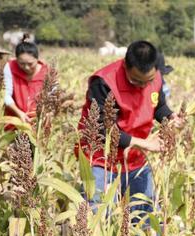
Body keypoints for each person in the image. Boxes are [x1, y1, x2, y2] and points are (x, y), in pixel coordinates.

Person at [75, 40, 182, 223]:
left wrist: (171, 117)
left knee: (147, 218)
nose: (141, 87)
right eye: (135, 81)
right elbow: (102, 128)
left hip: (134, 159)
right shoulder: (104, 82)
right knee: (98, 220)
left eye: (146, 82)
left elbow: (158, 105)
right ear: (125, 65)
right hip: (101, 160)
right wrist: (145, 143)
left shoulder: (155, 77)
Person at [3, 35, 48, 128]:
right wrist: (19, 113)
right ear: (16, 59)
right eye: (22, 64)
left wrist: (45, 115)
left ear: (37, 59)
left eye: (30, 64)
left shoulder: (47, 72)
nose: (26, 67)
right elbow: (6, 94)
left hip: (39, 124)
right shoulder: (10, 67)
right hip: (15, 122)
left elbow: (52, 97)